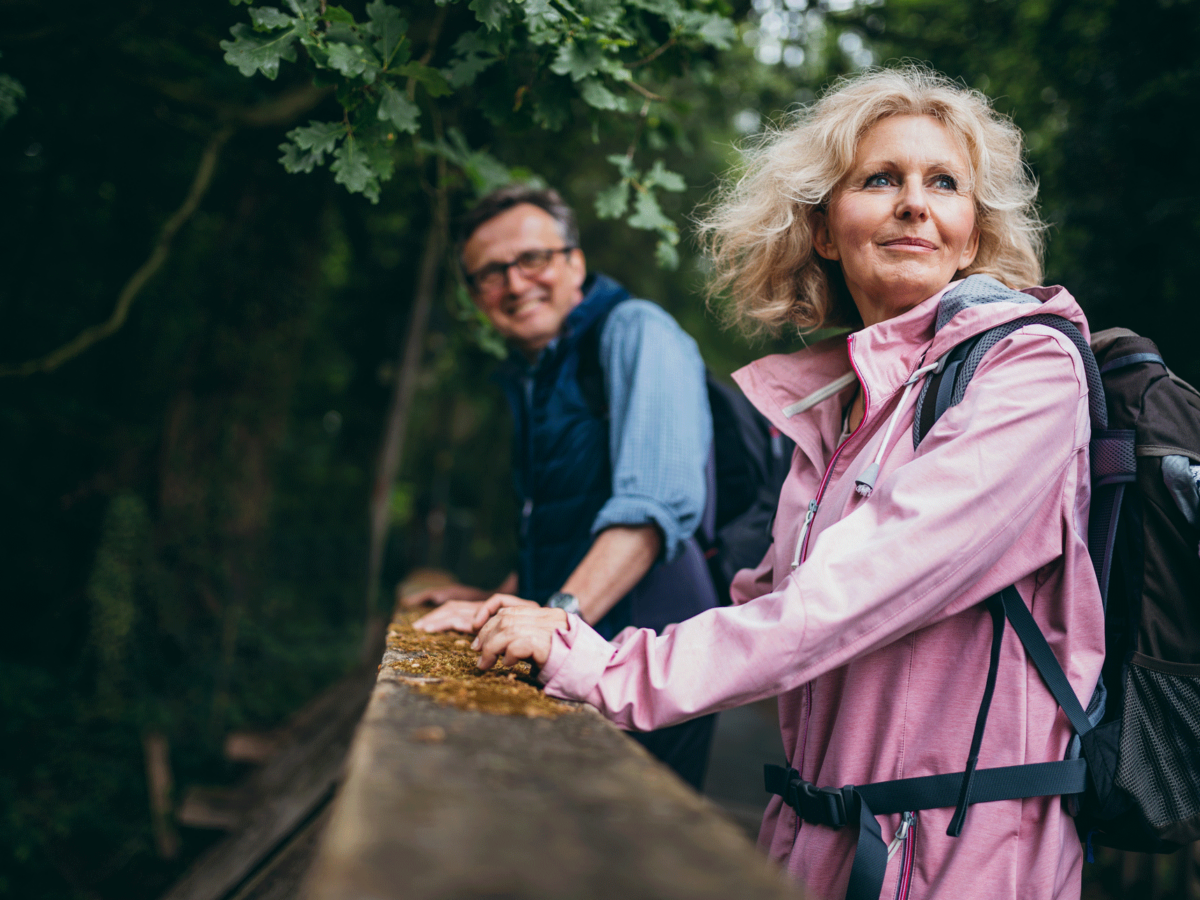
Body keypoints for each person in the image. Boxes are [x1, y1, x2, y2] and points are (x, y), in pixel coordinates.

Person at [471, 67, 1105, 900]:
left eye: (944, 183)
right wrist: (520, 609)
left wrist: (605, 666)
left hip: (961, 856)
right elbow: (766, 604)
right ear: (824, 231)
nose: (914, 202)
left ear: (972, 235)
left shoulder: (1029, 369)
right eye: (881, 179)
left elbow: (860, 588)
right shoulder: (835, 405)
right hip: (814, 843)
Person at [404, 184, 719, 789]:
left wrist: (554, 619)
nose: (516, 284)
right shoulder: (535, 375)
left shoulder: (635, 331)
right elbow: (563, 519)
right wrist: (496, 597)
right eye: (491, 274)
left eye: (533, 259)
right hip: (577, 642)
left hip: (648, 657)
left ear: (575, 261)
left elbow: (649, 513)